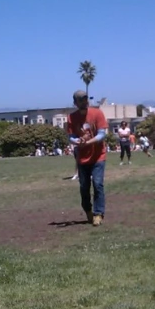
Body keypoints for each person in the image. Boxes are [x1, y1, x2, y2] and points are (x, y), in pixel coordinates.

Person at [67, 90, 108, 226]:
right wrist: (77, 141)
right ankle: (88, 210)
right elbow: (71, 136)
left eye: (85, 99)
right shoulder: (71, 117)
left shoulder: (97, 113)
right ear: (75, 103)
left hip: (98, 156)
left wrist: (88, 142)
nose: (84, 102)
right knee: (84, 187)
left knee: (98, 184)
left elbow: (102, 134)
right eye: (81, 100)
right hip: (82, 158)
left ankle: (98, 213)